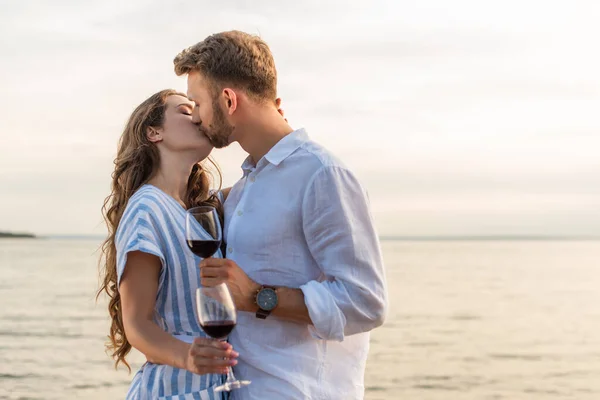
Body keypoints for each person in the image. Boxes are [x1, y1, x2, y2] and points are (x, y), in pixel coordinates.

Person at [174, 31, 388, 399]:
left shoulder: (322, 175)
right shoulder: (244, 188)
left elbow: (366, 302)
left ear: (228, 100)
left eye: (196, 103)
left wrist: (258, 296)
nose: (195, 117)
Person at [97, 89, 236, 399]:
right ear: (154, 131)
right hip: (173, 387)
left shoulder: (198, 210)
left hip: (210, 387)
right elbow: (137, 326)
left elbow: (258, 181)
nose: (198, 116)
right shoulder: (147, 208)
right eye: (187, 111)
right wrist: (186, 355)